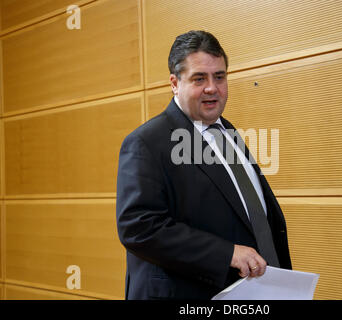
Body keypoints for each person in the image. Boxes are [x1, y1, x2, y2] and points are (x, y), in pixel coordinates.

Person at [116, 30, 291, 300]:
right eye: (199, 78)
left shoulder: (227, 132)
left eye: (219, 77)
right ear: (175, 83)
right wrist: (226, 254)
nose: (212, 88)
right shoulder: (146, 142)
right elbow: (139, 227)